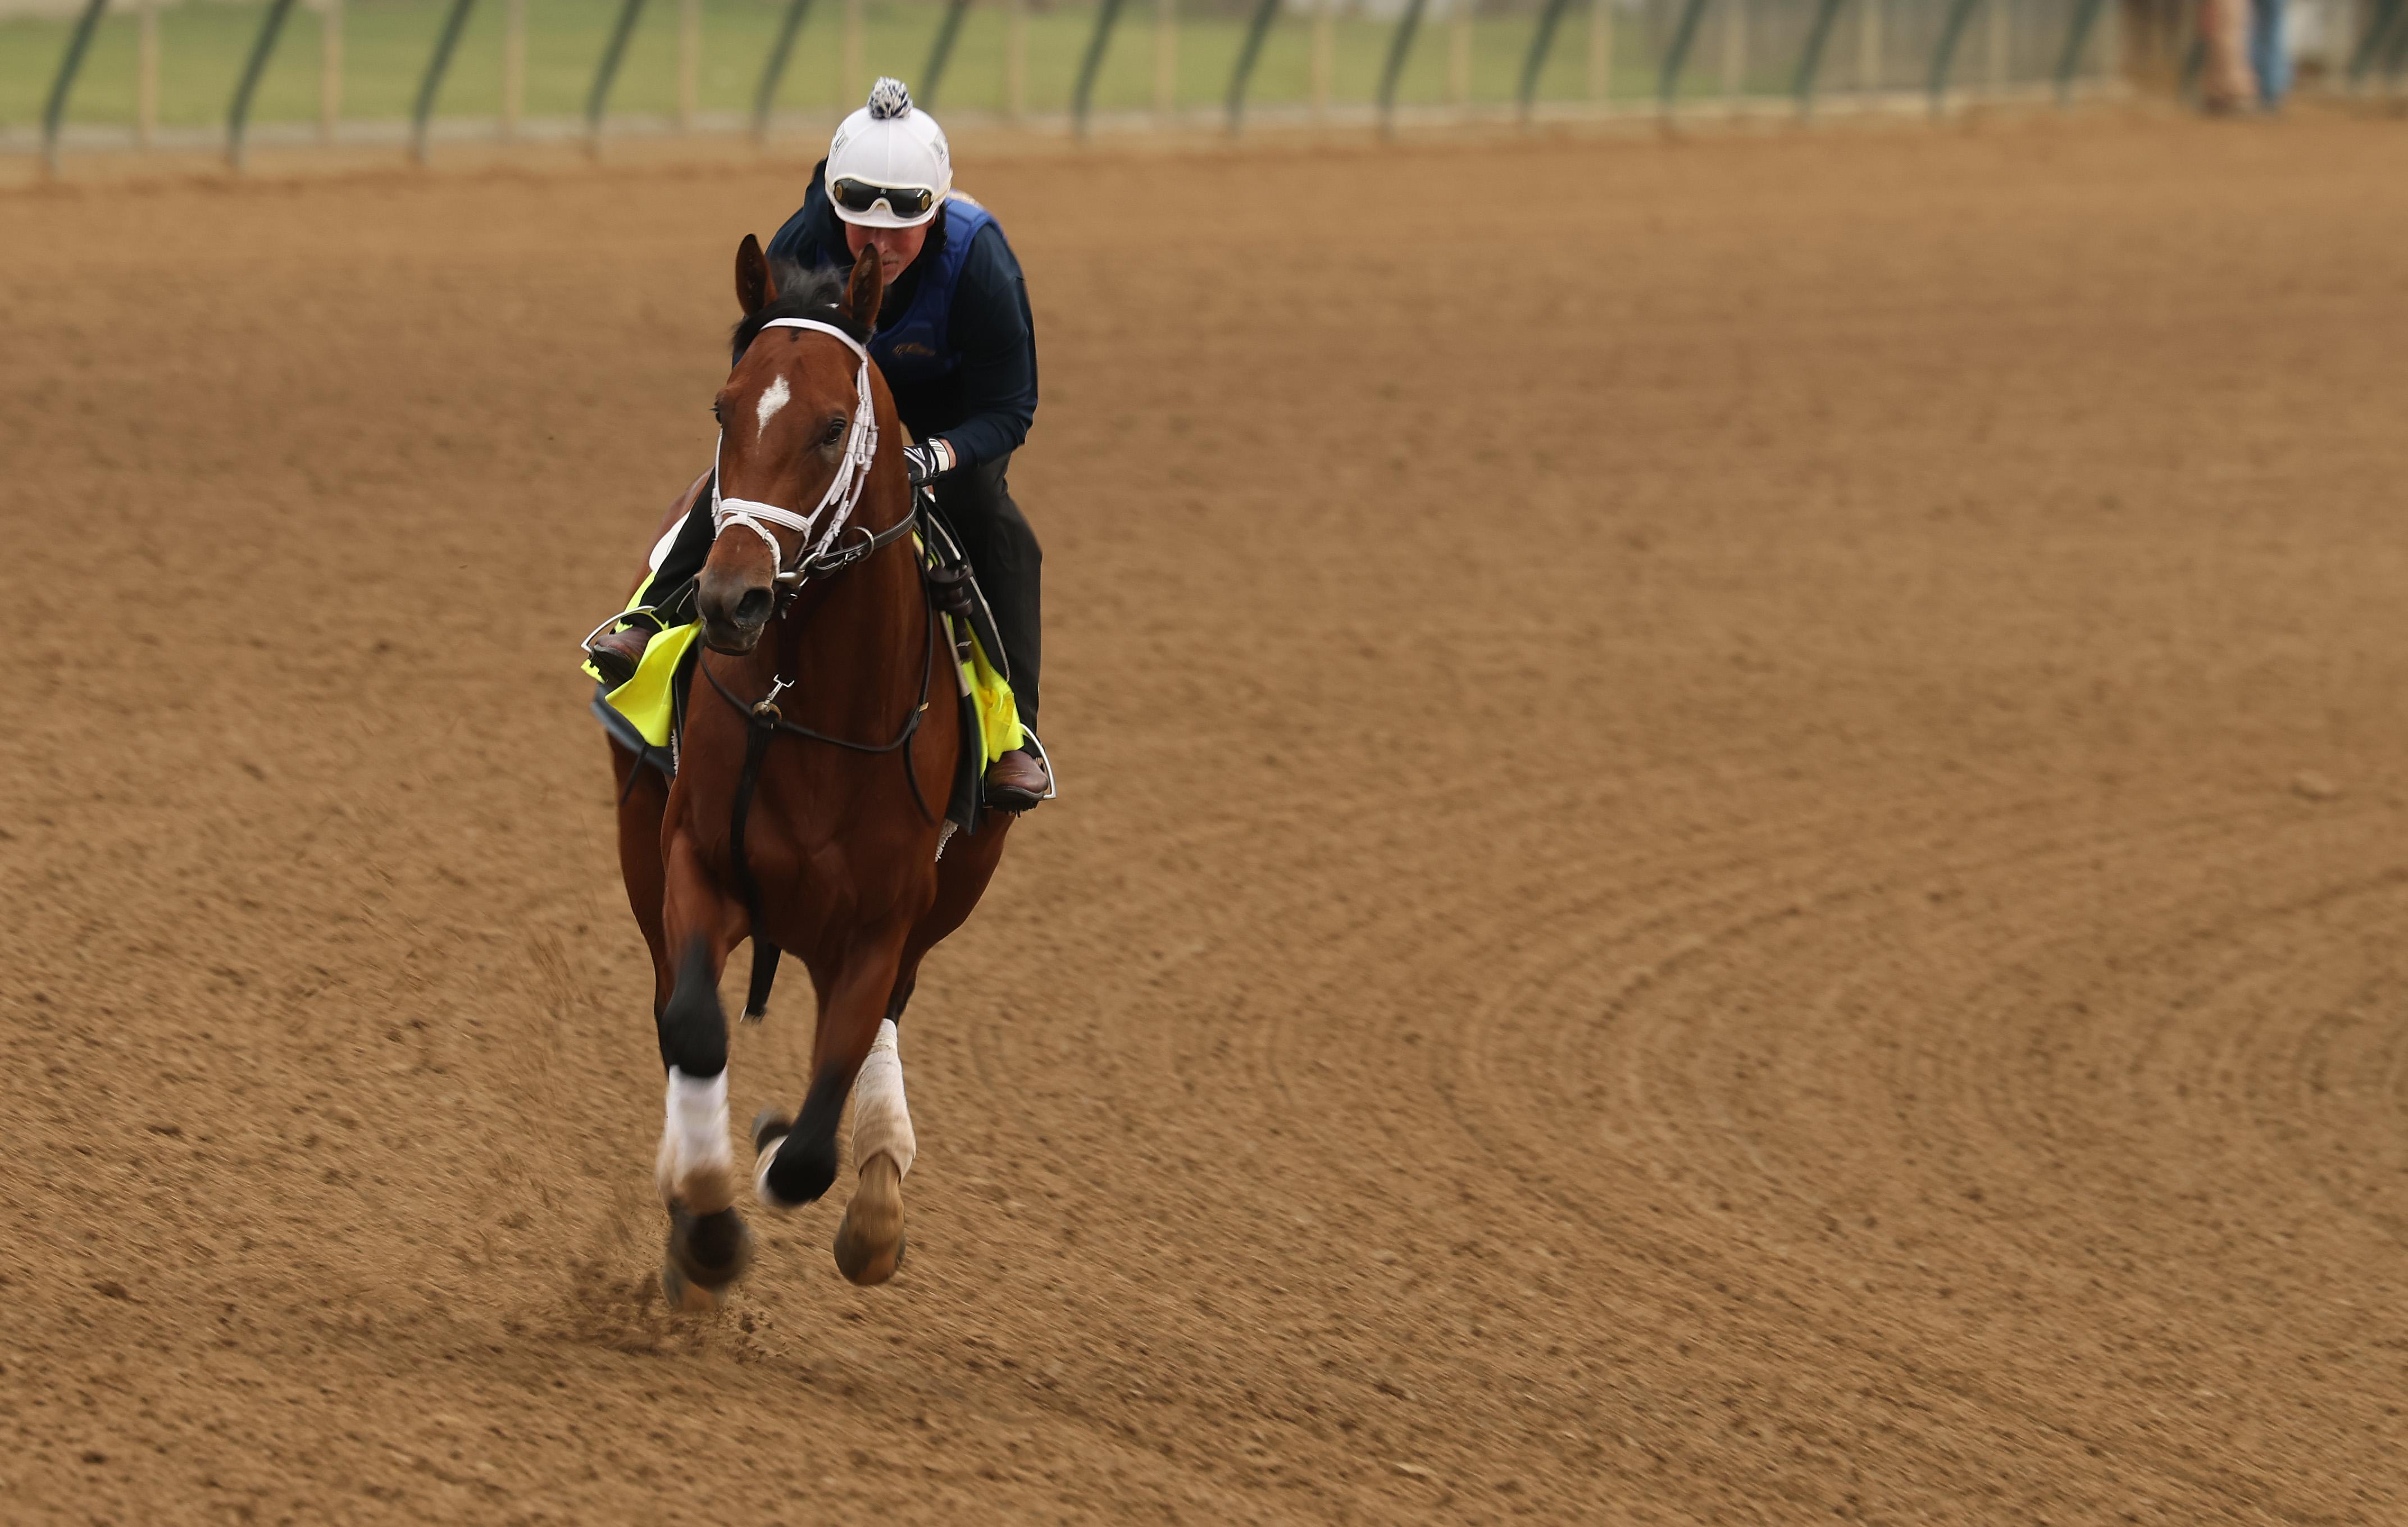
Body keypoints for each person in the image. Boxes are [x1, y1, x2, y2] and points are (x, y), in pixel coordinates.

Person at [586, 78, 1050, 811]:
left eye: (905, 225)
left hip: (943, 425)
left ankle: (1013, 734)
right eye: (858, 221)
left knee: (999, 528)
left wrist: (933, 457)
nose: (879, 244)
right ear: (834, 203)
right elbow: (764, 373)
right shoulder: (803, 240)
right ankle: (652, 616)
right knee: (762, 468)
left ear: (938, 206)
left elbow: (1010, 408)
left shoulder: (982, 263)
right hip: (827, 405)